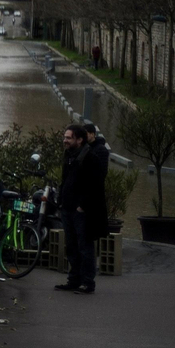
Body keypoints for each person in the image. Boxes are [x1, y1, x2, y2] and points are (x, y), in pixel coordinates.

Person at [57, 124, 108, 294]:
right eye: (65, 137)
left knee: (84, 247)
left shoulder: (90, 157)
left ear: (79, 139)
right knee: (71, 246)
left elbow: (96, 185)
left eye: (69, 137)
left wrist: (82, 206)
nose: (65, 140)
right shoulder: (69, 155)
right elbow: (65, 179)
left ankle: (87, 282)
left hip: (81, 211)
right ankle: (74, 280)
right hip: (67, 208)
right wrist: (61, 200)